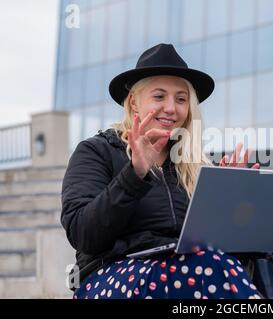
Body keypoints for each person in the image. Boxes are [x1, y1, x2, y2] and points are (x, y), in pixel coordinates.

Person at [61, 43, 262, 299]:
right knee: (208, 269)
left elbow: (217, 248)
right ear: (134, 102)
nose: (171, 108)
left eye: (181, 99)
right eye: (159, 96)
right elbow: (83, 234)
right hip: (110, 278)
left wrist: (229, 197)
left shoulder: (193, 164)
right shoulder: (96, 151)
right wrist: (134, 174)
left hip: (190, 272)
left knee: (233, 265)